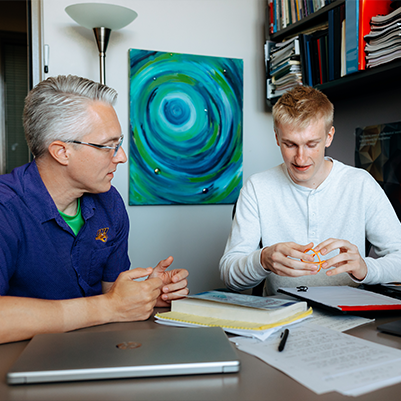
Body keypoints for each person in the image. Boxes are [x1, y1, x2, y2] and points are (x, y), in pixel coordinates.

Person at [0, 75, 189, 344]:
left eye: (119, 143)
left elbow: (111, 293)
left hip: (95, 350)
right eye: (108, 146)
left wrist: (145, 295)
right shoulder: (5, 209)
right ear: (61, 152)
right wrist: (109, 307)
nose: (121, 156)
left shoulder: (109, 203)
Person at [220, 85, 401, 296]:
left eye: (311, 144)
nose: (301, 158)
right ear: (277, 138)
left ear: (329, 136)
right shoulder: (257, 188)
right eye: (290, 144)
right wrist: (263, 259)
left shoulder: (360, 184)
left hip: (350, 317)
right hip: (281, 315)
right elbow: (229, 275)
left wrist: (365, 269)